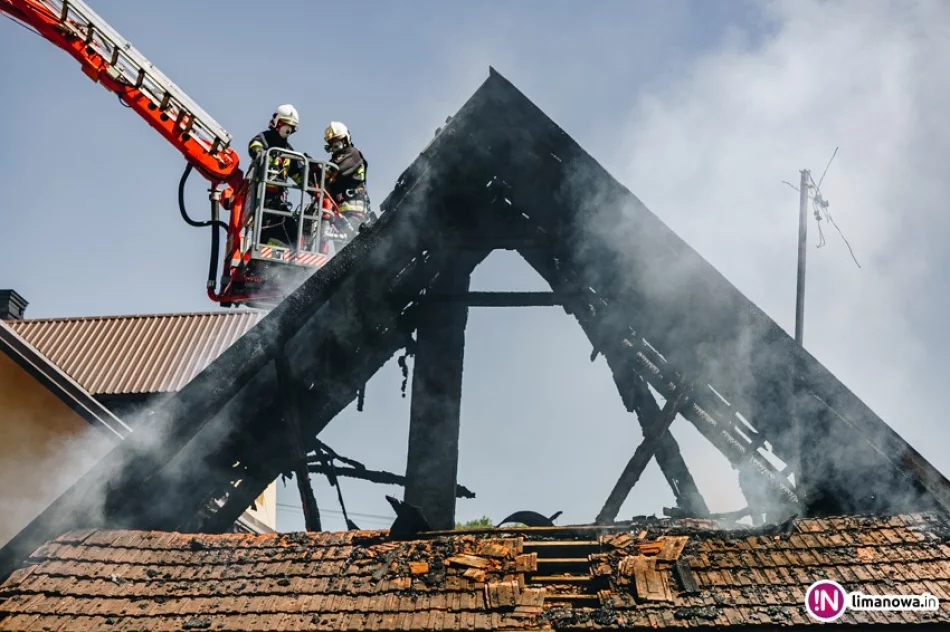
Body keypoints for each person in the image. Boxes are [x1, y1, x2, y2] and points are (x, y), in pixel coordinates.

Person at [248, 105, 304, 247]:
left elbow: (298, 173)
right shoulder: (264, 138)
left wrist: (311, 184)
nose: (287, 129)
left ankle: (283, 264)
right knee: (268, 230)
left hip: (277, 199)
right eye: (286, 124)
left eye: (291, 126)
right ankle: (268, 261)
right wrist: (261, 153)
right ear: (277, 122)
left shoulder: (289, 151)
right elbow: (254, 146)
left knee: (294, 232)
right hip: (262, 196)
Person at [323, 121, 370, 239]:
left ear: (346, 140)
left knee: (350, 241)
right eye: (332, 143)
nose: (334, 147)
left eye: (337, 141)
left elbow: (334, 171)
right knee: (342, 248)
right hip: (340, 215)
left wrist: (316, 169)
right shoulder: (334, 161)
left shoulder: (352, 154)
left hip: (355, 213)